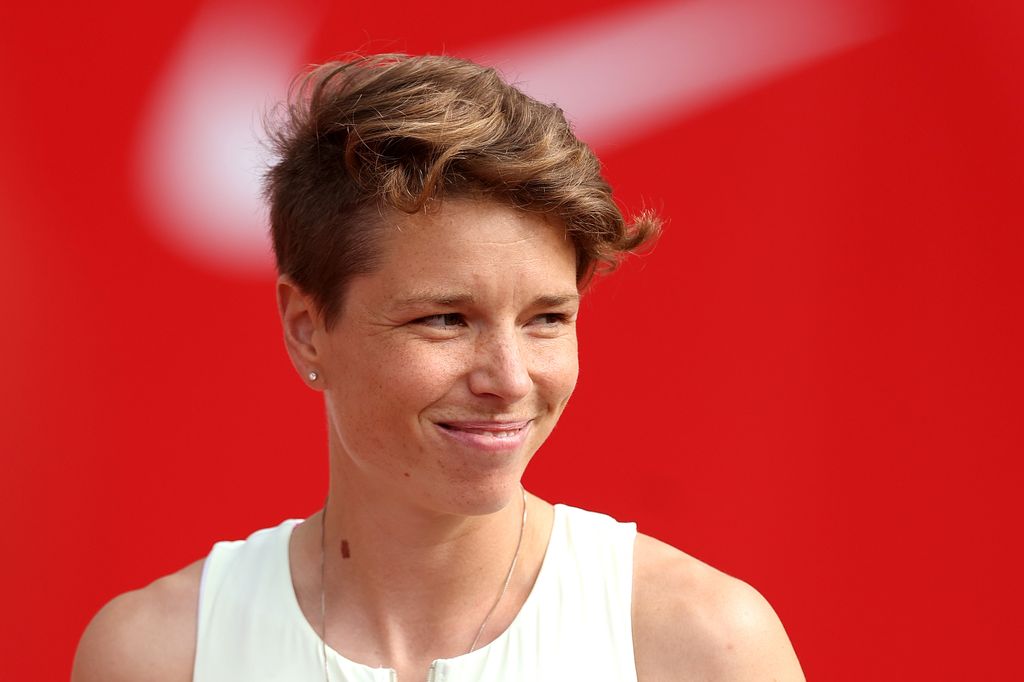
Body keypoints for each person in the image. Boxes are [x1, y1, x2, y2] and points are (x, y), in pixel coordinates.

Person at [72, 54, 804, 681]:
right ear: (306, 328)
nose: (511, 379)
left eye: (547, 318)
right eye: (445, 319)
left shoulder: (702, 644)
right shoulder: (159, 655)